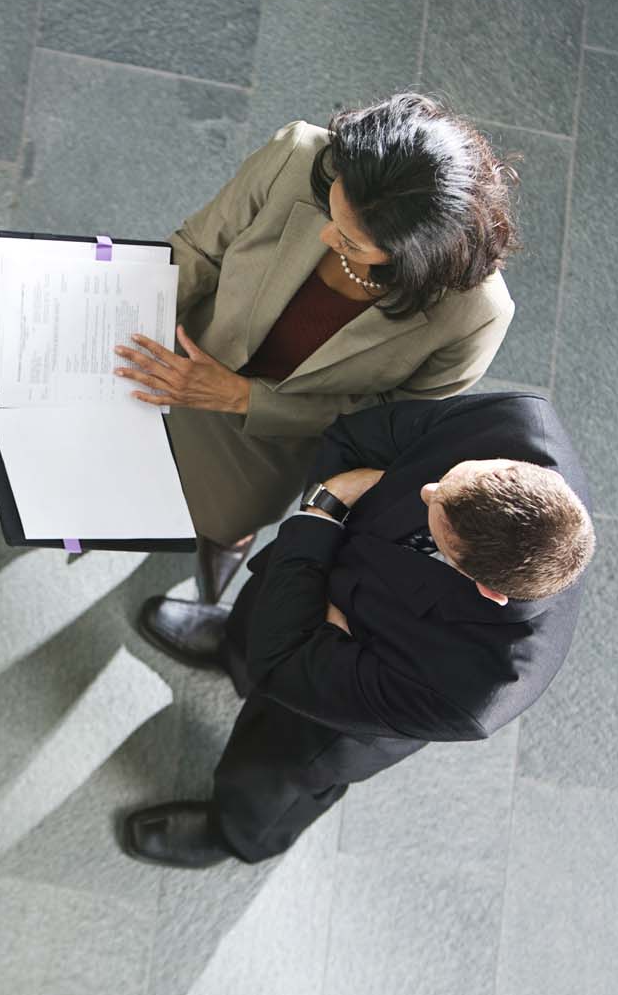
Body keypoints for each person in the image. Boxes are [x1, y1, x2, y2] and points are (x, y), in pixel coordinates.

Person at [114, 93, 522, 652]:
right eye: (332, 210)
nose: (327, 236)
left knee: (224, 516)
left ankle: (220, 552)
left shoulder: (475, 315)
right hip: (184, 349)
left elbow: (391, 426)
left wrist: (242, 399)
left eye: (351, 240)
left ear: (415, 257)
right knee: (118, 459)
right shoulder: (300, 154)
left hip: (271, 440)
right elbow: (200, 250)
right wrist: (127, 323)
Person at [120, 392, 595, 868]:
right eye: (456, 476)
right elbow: (355, 436)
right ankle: (232, 646)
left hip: (331, 723)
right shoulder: (521, 422)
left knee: (272, 773)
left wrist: (328, 514)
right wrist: (321, 535)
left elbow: (282, 664)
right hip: (319, 604)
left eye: (439, 516)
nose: (427, 490)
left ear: (488, 590)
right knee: (257, 624)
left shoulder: (478, 689)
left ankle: (236, 835)